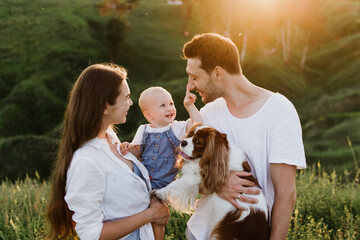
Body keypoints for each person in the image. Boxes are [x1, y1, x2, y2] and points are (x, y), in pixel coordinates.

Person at [183, 33, 306, 240]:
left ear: (218, 73)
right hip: (200, 233)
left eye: (194, 77)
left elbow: (286, 194)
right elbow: (191, 180)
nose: (191, 85)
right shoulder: (207, 114)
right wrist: (218, 182)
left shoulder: (278, 111)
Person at [46, 63, 170, 240]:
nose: (131, 103)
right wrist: (150, 215)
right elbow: (91, 234)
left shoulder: (111, 137)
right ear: (105, 106)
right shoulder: (85, 161)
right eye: (126, 97)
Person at [120, 86, 202, 190]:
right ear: (149, 115)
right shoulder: (143, 130)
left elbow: (198, 125)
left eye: (171, 104)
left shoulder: (176, 128)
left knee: (155, 200)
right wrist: (127, 147)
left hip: (166, 185)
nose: (169, 108)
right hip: (143, 179)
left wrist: (189, 106)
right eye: (162, 105)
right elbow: (137, 151)